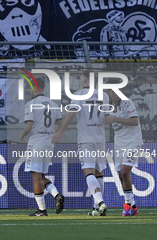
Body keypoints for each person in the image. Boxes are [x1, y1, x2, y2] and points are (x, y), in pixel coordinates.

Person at [52, 70, 109, 216]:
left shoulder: (78, 95)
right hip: (100, 138)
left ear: (84, 81)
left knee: (88, 171)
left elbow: (72, 113)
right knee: (99, 172)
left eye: (81, 80)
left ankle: (100, 202)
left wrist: (61, 131)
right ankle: (96, 208)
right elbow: (107, 117)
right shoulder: (104, 95)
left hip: (86, 139)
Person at [19, 78, 65, 216]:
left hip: (36, 142)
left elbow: (29, 126)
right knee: (41, 176)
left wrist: (22, 136)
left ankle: (42, 210)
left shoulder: (31, 104)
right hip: (49, 143)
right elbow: (61, 123)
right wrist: (54, 132)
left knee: (35, 176)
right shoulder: (53, 104)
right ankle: (56, 195)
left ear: (34, 88)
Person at [103, 78, 143, 216]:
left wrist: (115, 119)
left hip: (133, 141)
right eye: (111, 90)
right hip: (119, 143)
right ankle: (132, 205)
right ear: (107, 92)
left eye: (116, 90)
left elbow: (135, 121)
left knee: (125, 171)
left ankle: (127, 205)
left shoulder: (126, 102)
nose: (114, 93)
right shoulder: (107, 106)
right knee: (121, 174)